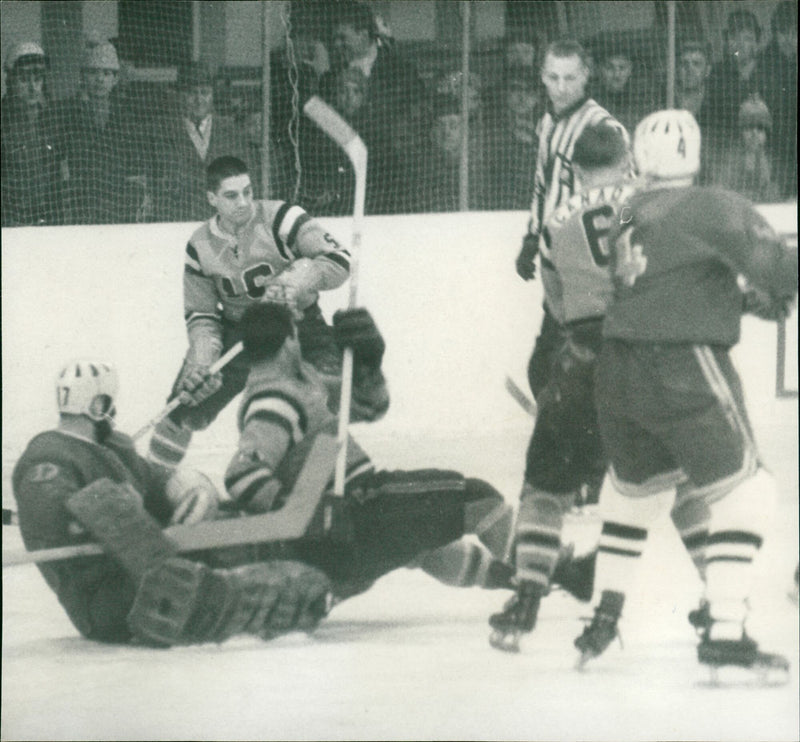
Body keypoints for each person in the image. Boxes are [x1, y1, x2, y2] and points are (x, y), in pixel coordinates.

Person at [573, 110, 796, 681]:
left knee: (633, 492)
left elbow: (654, 279)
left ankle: (603, 616)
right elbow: (778, 271)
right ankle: (725, 630)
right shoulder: (717, 205)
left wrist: (733, 299)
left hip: (616, 367)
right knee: (749, 491)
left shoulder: (623, 208)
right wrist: (765, 290)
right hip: (680, 362)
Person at [11, 360, 331, 646]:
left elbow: (154, 480)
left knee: (241, 528)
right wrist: (108, 515)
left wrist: (186, 487)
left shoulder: (110, 448)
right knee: (270, 584)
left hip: (162, 569)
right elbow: (49, 523)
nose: (114, 412)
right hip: (116, 603)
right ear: (97, 405)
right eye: (109, 404)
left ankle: (307, 547)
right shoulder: (49, 459)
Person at [223, 302, 517, 600]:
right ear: (289, 341)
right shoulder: (273, 399)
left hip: (348, 533)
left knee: (421, 543)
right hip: (353, 512)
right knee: (479, 499)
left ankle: (513, 577)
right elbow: (242, 474)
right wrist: (305, 516)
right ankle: (535, 570)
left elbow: (369, 407)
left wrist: (367, 365)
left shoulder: (300, 384)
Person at [489, 121, 635, 651]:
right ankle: (719, 606)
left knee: (544, 487)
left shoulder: (555, 220)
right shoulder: (641, 204)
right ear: (626, 162)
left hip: (579, 355)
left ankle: (525, 599)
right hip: (640, 354)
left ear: (574, 172)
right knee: (671, 484)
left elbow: (554, 303)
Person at [147, 155, 351, 472]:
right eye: (231, 195)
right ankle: (154, 483)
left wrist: (298, 278)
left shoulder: (282, 217)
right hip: (240, 333)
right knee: (183, 405)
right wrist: (202, 360)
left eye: (247, 191)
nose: (243, 202)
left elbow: (339, 260)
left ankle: (317, 483)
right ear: (211, 198)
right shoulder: (199, 245)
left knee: (331, 393)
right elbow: (202, 315)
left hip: (297, 325)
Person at [56, 41, 152, 224]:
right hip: (83, 204)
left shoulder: (126, 117)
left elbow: (136, 168)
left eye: (106, 73)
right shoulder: (69, 115)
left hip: (119, 204)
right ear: (82, 77)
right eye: (93, 73)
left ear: (115, 79)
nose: (100, 79)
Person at [154, 61, 250, 222]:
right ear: (179, 95)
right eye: (192, 93)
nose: (199, 99)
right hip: (178, 221)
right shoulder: (163, 131)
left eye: (204, 92)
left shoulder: (230, 131)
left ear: (213, 95)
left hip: (222, 223)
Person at [1, 41, 67, 227]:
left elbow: (61, 174)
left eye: (37, 79)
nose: (32, 87)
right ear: (10, 81)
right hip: (11, 222)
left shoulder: (53, 120)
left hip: (49, 219)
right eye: (23, 79)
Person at [754, 1, 797, 198]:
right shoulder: (763, 64)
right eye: (783, 33)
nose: (790, 40)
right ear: (775, 33)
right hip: (773, 153)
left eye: (795, 33)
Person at [709, 96, 781, 203]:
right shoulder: (730, 160)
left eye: (760, 128)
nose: (754, 133)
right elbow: (719, 193)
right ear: (741, 131)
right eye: (749, 126)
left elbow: (775, 198)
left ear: (766, 133)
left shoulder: (771, 162)